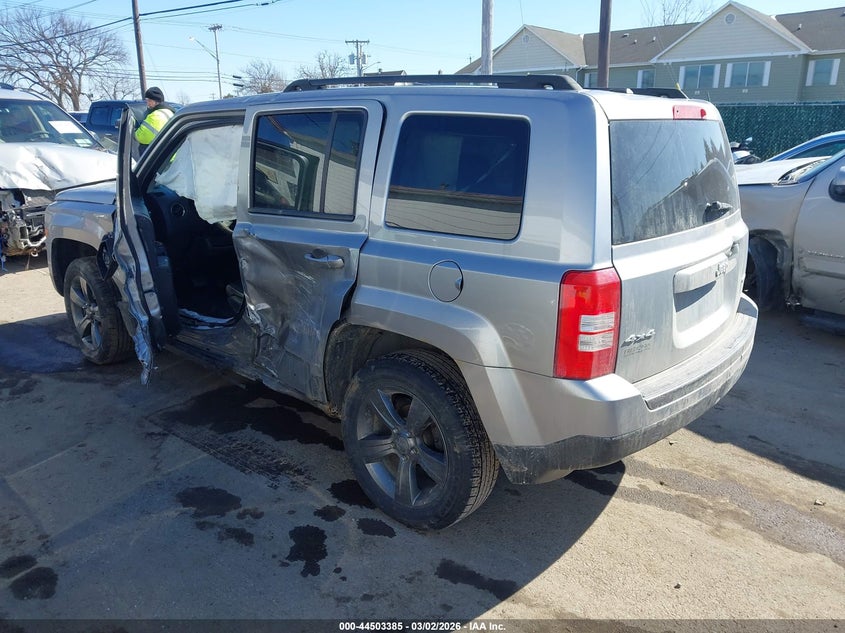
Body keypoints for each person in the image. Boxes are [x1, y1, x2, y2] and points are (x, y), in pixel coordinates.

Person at [134, 87, 175, 151]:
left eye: (149, 101)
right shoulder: (169, 112)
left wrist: (134, 133)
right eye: (147, 100)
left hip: (160, 155)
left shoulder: (155, 116)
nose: (147, 103)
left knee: (143, 147)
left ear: (157, 101)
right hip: (170, 153)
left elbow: (141, 137)